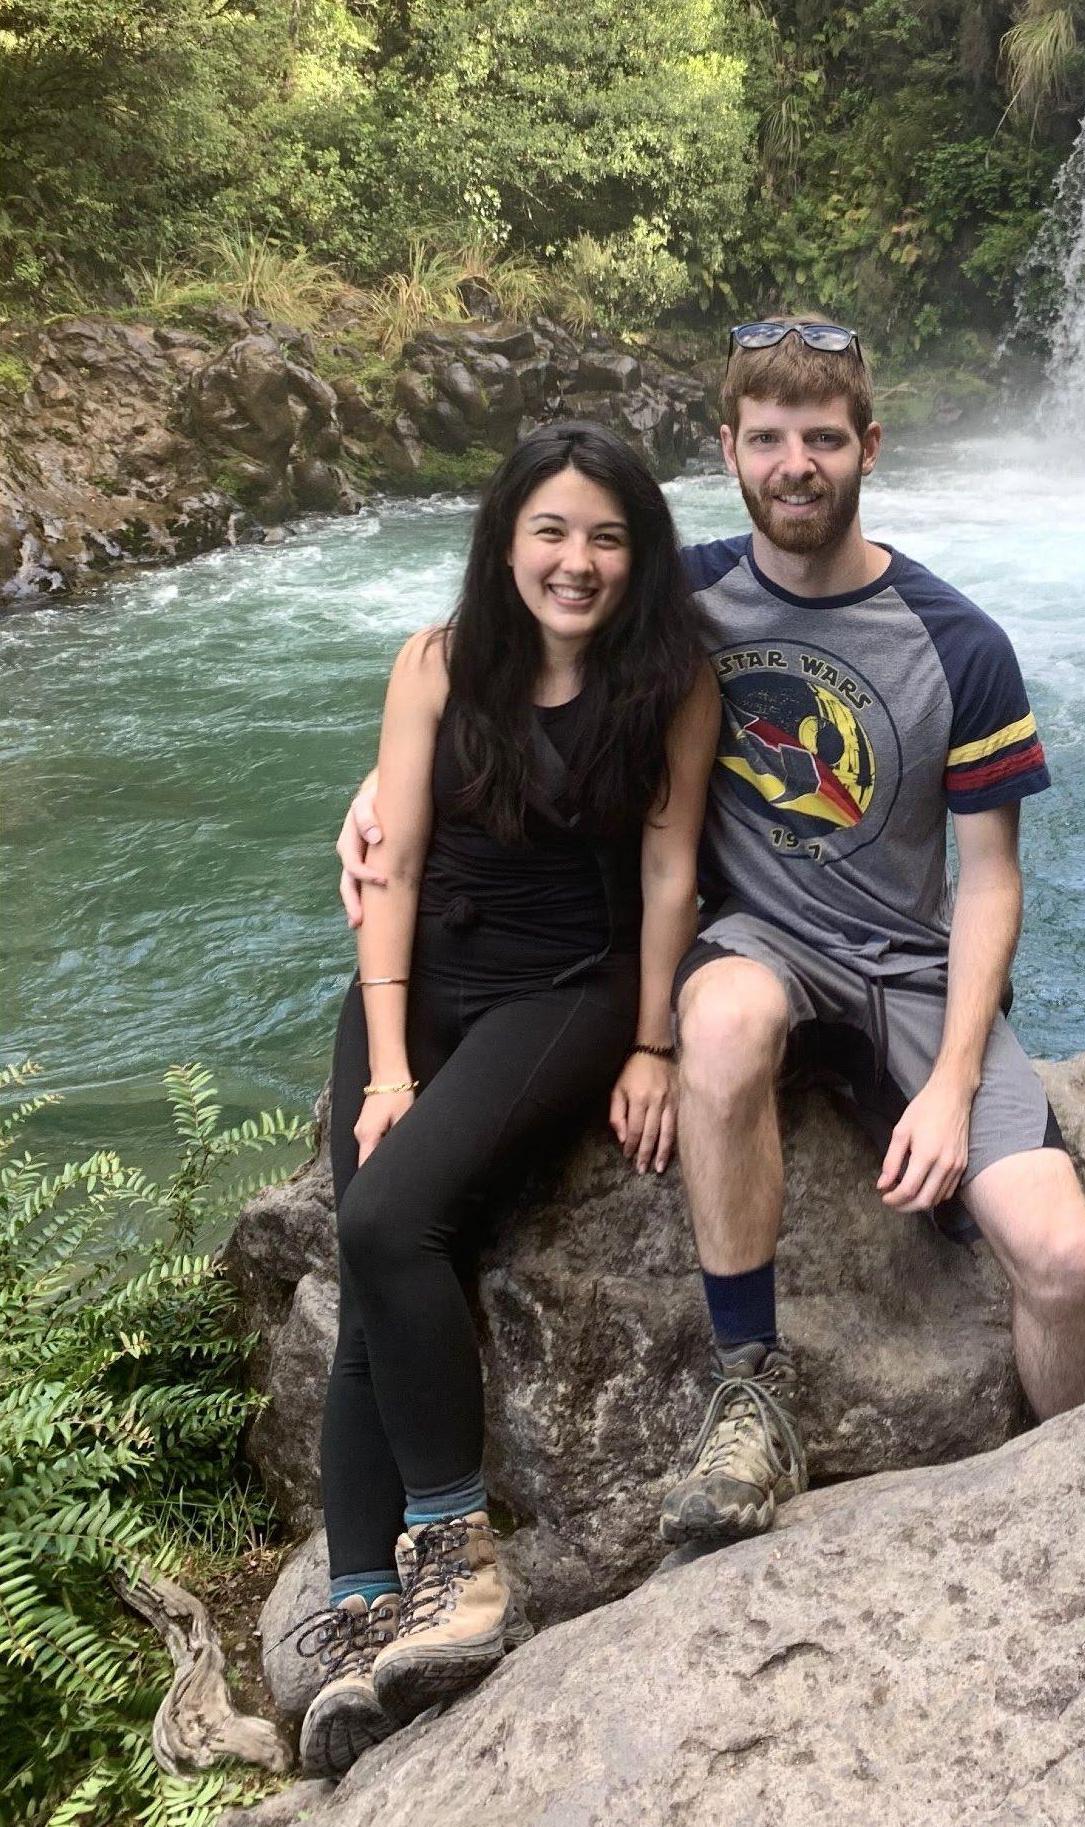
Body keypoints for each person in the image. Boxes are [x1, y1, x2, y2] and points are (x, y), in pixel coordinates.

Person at [338, 318, 1085, 1557]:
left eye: (821, 439)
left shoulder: (960, 644)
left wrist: (958, 1084)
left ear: (868, 449)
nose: (794, 464)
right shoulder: (674, 595)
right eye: (768, 440)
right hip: (753, 940)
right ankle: (751, 1389)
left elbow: (988, 884)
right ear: (730, 451)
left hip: (912, 971)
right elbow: (501, 667)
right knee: (722, 1021)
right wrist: (376, 799)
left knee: (1066, 1261)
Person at [296, 421, 718, 1781]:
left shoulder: (669, 678)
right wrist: (389, 1059)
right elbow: (396, 866)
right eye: (551, 531)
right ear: (506, 540)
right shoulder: (434, 661)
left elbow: (667, 874)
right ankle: (361, 1605)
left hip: (565, 987)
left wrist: (651, 1041)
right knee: (371, 1234)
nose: (576, 560)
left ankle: (454, 1552)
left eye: (604, 535)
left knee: (395, 1214)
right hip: (425, 979)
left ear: (636, 551)